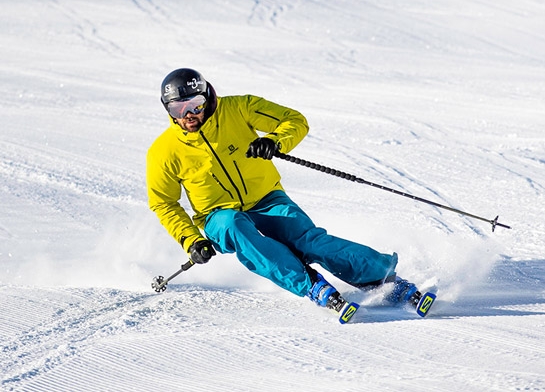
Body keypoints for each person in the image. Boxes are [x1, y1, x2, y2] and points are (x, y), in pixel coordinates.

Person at [147, 67, 420, 317]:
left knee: (309, 241)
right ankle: (311, 285)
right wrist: (192, 240)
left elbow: (294, 120)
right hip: (217, 216)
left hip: (267, 198)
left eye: (195, 104)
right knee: (235, 225)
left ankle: (381, 280)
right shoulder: (163, 151)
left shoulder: (239, 108)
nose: (188, 115)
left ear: (208, 97)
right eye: (177, 109)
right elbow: (165, 204)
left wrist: (274, 141)